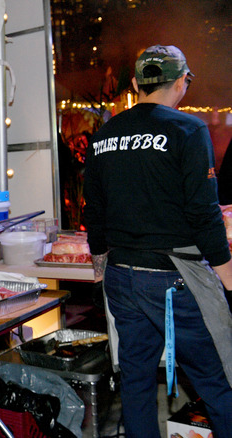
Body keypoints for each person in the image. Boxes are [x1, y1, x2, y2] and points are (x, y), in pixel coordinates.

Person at [83, 45, 232, 438]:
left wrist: (101, 275)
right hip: (172, 279)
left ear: (135, 84)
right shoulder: (187, 128)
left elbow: (93, 214)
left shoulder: (104, 135)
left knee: (135, 380)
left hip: (120, 277)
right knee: (219, 379)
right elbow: (205, 213)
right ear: (182, 81)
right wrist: (228, 276)